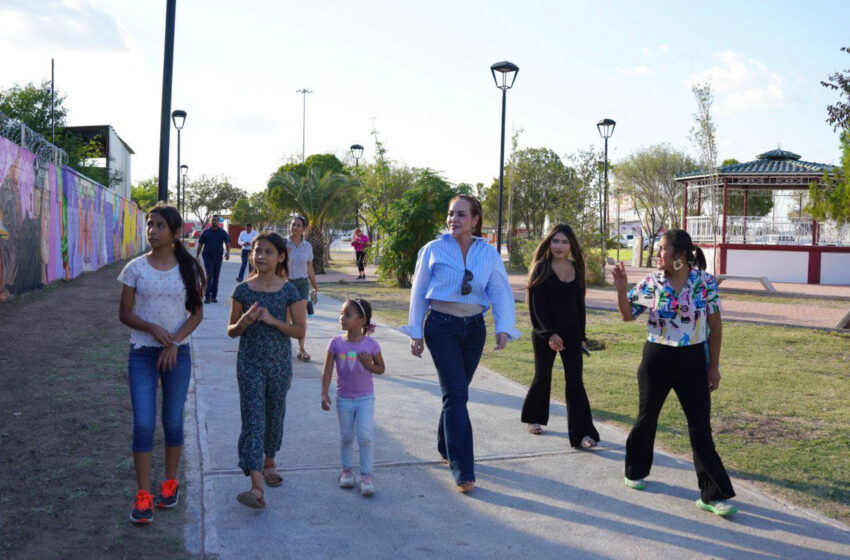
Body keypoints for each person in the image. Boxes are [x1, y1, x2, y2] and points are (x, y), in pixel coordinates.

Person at [613, 228, 738, 517]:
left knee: (700, 427)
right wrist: (621, 289)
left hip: (693, 361)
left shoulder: (704, 282)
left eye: (662, 249)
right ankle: (635, 470)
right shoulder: (653, 281)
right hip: (657, 358)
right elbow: (627, 315)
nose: (657, 254)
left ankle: (712, 494)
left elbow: (715, 326)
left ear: (680, 255)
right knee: (647, 418)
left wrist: (714, 366)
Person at [402, 194, 520, 493]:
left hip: (474, 329)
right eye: (451, 214)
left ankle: (445, 446)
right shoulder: (433, 249)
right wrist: (415, 332)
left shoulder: (488, 253)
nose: (454, 219)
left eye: (461, 214)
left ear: (475, 220)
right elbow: (417, 292)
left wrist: (503, 327)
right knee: (456, 396)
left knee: (456, 394)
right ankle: (463, 469)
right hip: (441, 327)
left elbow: (500, 291)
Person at [118, 203, 206, 524]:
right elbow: (125, 314)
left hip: (177, 355)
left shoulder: (190, 268)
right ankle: (143, 494)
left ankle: (170, 482)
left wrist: (174, 342)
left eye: (159, 226)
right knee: (143, 423)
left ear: (174, 232)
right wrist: (153, 330)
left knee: (172, 420)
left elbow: (196, 314)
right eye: (149, 225)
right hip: (142, 352)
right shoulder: (135, 269)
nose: (152, 231)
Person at [227, 232, 306, 509]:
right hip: (249, 363)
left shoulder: (289, 291)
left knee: (274, 414)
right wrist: (245, 321)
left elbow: (299, 330)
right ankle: (256, 485)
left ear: (281, 257)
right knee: (253, 419)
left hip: (279, 364)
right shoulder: (242, 290)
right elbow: (231, 331)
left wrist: (272, 320)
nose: (260, 256)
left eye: (268, 251)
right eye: (257, 251)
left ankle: (269, 460)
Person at [520, 224, 600, 448]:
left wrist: (582, 335)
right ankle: (534, 418)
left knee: (575, 382)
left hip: (572, 335)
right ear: (549, 243)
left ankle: (583, 433)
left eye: (564, 242)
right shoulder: (541, 268)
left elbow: (579, 305)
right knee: (542, 376)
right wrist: (549, 334)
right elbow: (537, 308)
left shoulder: (576, 269)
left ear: (571, 246)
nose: (559, 246)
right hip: (545, 333)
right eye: (555, 241)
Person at [320, 298, 385, 496]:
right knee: (347, 436)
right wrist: (324, 393)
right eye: (341, 313)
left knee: (365, 437)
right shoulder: (336, 343)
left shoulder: (371, 345)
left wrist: (368, 365)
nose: (342, 318)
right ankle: (345, 471)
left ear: (361, 320)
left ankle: (366, 475)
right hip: (344, 399)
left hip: (365, 399)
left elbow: (381, 369)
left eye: (348, 314)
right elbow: (328, 369)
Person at [285, 216, 318, 362]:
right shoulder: (283, 243)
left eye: (298, 225)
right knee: (287, 316)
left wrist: (315, 286)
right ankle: (285, 347)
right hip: (286, 283)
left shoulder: (307, 246)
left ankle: (301, 348)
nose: (295, 227)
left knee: (301, 317)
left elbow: (309, 267)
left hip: (302, 283)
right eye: (293, 224)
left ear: (303, 228)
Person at [195, 215, 230, 303]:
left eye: (216, 220)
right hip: (207, 256)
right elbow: (200, 244)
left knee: (216, 276)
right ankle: (207, 296)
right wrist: (197, 255)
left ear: (219, 222)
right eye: (213, 220)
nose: (214, 221)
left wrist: (228, 252)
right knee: (209, 275)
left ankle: (214, 296)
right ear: (211, 221)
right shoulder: (205, 232)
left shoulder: (223, 232)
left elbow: (227, 242)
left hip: (218, 257)